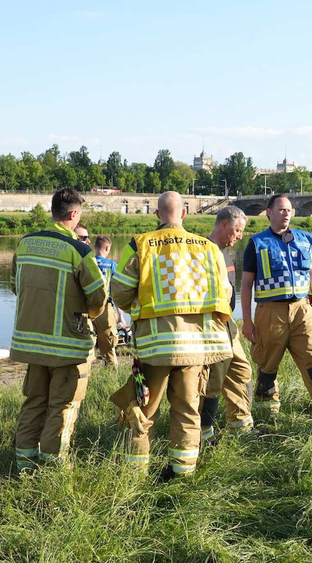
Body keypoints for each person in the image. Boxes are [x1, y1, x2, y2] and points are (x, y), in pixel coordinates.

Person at [110, 191, 233, 479]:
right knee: (188, 409)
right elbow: (225, 293)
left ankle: (135, 473)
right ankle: (182, 472)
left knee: (144, 410)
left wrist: (138, 306)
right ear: (185, 214)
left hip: (156, 347)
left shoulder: (139, 245)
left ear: (157, 215)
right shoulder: (208, 248)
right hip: (197, 346)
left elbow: (119, 292)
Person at [10, 188, 108, 470]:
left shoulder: (25, 243)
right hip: (66, 345)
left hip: (30, 344)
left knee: (33, 402)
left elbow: (15, 286)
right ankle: (53, 469)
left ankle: (24, 466)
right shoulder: (78, 250)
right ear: (74, 214)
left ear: (53, 210)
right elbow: (98, 297)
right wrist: (86, 314)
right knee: (61, 407)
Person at [241, 194, 312, 418]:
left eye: (289, 210)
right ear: (269, 212)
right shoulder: (257, 243)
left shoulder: (305, 238)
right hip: (270, 313)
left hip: (302, 309)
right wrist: (247, 321)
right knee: (267, 364)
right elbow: (246, 285)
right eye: (281, 210)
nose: (286, 214)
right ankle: (267, 414)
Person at [200, 206, 254, 444]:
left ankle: (241, 425)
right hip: (210, 326)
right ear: (223, 225)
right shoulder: (202, 251)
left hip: (228, 325)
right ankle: (204, 435)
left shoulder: (226, 253)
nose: (240, 236)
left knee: (242, 371)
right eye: (237, 230)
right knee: (212, 382)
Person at [91, 235, 124, 365]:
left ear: (95, 247)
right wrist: (121, 315)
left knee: (89, 343)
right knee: (109, 344)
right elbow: (117, 292)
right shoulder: (112, 265)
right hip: (106, 308)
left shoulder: (88, 263)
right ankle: (111, 371)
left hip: (88, 308)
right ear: (107, 247)